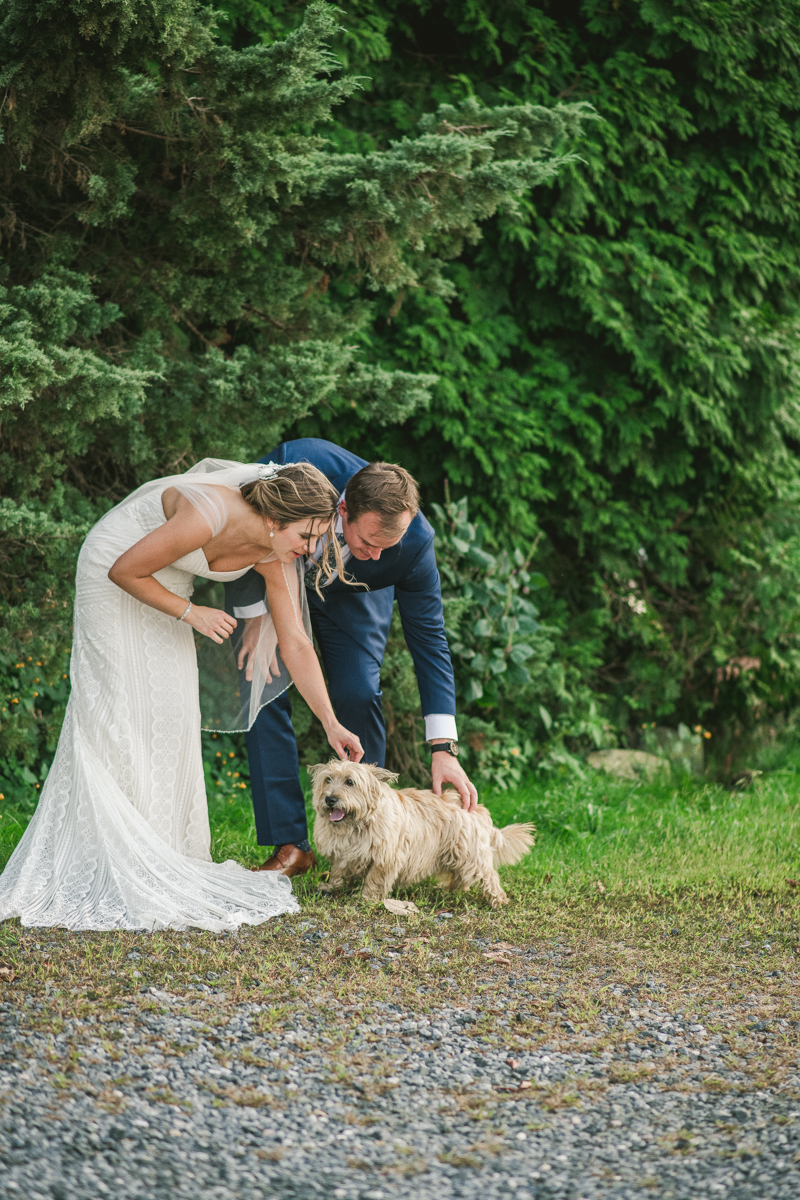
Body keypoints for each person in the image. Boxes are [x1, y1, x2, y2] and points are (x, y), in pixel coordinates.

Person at [0, 459, 363, 931]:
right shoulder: (209, 511)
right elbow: (124, 569)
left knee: (171, 712)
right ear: (274, 520)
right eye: (307, 537)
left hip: (169, 583)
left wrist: (331, 722)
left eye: (317, 539)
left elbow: (295, 640)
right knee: (116, 713)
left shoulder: (277, 552)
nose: (311, 548)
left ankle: (158, 852)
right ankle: (105, 857)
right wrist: (191, 613)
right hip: (118, 573)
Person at [225, 438, 478, 878]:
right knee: (260, 679)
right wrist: (255, 613)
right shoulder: (293, 463)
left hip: (354, 598)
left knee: (357, 690)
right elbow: (244, 524)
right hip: (275, 574)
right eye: (369, 541)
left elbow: (430, 638)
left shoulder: (414, 543)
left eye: (388, 546)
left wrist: (444, 748)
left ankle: (370, 847)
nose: (379, 555)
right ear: (343, 511)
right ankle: (291, 846)